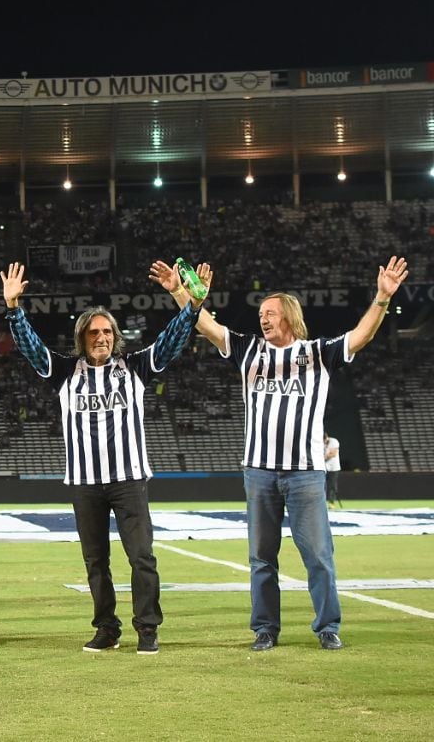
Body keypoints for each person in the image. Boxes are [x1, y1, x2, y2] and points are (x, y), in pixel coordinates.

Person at [156, 255, 408, 651]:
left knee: (319, 556)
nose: (263, 318)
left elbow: (360, 336)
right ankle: (265, 630)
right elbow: (205, 326)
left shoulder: (318, 353)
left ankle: (328, 626)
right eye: (260, 313)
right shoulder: (246, 349)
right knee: (261, 559)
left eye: (270, 313)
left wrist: (381, 298)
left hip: (306, 473)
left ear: (289, 317)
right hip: (259, 471)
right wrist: (179, 292)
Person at [4, 261, 204, 655]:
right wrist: (14, 310)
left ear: (115, 336)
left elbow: (172, 339)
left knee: (142, 558)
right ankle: (106, 628)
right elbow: (30, 346)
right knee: (96, 563)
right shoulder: (64, 371)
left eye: (107, 331)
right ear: (81, 337)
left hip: (129, 480)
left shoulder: (135, 367)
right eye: (94, 332)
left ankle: (148, 629)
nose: (102, 337)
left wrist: (190, 307)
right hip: (84, 482)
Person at [324, 434, 343, 509]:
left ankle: (331, 503)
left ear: (326, 437)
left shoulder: (334, 441)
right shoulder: (319, 442)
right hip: (324, 468)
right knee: (321, 486)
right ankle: (321, 503)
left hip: (334, 468)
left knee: (332, 486)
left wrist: (322, 457)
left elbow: (333, 454)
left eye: (324, 440)